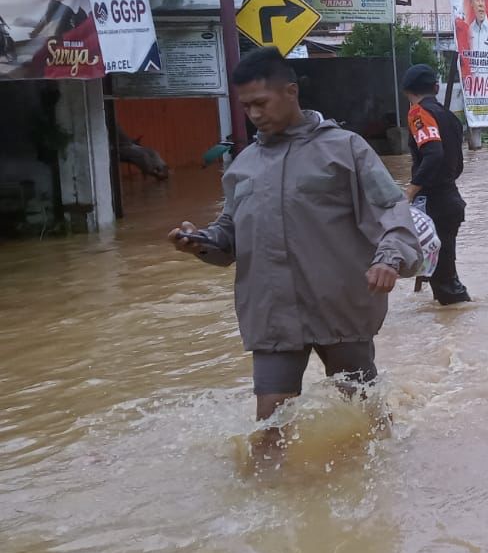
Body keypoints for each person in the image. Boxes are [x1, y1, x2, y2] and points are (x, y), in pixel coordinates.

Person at [168, 48, 422, 440]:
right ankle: (271, 496)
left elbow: (391, 209)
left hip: (340, 309)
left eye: (260, 103)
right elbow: (230, 234)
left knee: (367, 414)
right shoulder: (244, 166)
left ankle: (389, 484)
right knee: (270, 426)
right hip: (273, 315)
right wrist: (200, 241)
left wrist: (389, 258)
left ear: (290, 92)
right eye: (246, 106)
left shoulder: (345, 149)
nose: (253, 114)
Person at [401, 63, 471, 305]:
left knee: (444, 283)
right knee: (442, 275)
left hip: (434, 205)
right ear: (436, 87)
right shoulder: (451, 118)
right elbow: (457, 165)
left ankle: (461, 331)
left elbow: (433, 154)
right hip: (451, 199)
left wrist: (411, 189)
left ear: (406, 91)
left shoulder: (418, 113)